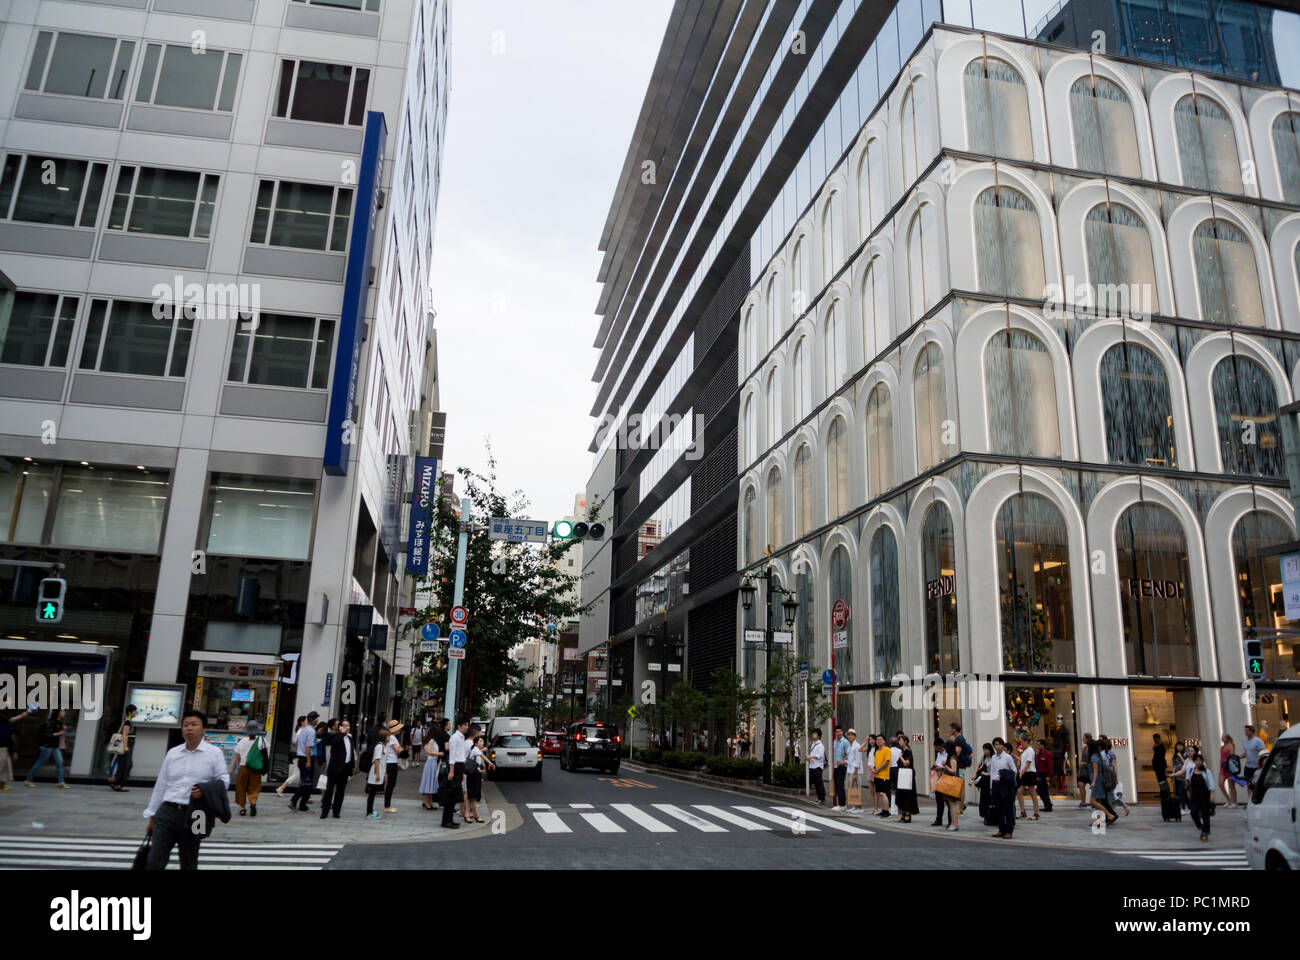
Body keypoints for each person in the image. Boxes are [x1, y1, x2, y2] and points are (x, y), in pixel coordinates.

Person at [143, 710, 228, 870]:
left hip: (198, 812)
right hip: (168, 810)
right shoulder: (172, 753)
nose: (189, 728)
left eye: (194, 725)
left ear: (203, 729)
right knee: (155, 861)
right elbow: (161, 784)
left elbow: (224, 780)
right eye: (186, 725)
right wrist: (152, 815)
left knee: (189, 860)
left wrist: (204, 790)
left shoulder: (214, 753)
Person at [230, 720, 269, 817]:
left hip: (243, 767)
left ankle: (243, 808)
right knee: (254, 787)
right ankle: (253, 802)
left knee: (241, 787)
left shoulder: (242, 741)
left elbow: (237, 757)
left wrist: (232, 769)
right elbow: (265, 755)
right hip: (255, 768)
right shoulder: (262, 741)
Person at [24, 709, 69, 788]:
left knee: (59, 762)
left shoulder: (60, 722)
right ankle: (28, 780)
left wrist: (63, 729)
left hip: (55, 746)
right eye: (62, 711)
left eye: (64, 711)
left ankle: (61, 782)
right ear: (57, 713)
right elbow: (49, 734)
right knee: (39, 763)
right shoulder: (50, 722)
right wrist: (60, 733)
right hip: (47, 746)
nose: (64, 713)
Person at [321, 719, 355, 819]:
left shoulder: (350, 738)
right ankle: (325, 811)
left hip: (345, 768)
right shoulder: (335, 736)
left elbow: (351, 753)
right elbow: (332, 742)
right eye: (344, 726)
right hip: (334, 768)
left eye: (348, 726)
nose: (347, 728)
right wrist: (341, 733)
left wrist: (352, 766)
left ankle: (336, 811)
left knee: (341, 791)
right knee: (329, 790)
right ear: (340, 727)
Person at [441, 717, 470, 828]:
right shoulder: (455, 738)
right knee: (451, 794)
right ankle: (446, 821)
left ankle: (450, 819)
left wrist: (461, 772)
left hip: (460, 767)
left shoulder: (461, 737)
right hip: (455, 766)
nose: (467, 727)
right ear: (459, 726)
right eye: (465, 725)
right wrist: (452, 771)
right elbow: (452, 755)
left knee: (454, 796)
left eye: (467, 725)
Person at [288, 711, 319, 811]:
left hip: (301, 758)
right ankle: (294, 800)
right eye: (317, 719)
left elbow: (296, 743)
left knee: (306, 783)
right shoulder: (311, 731)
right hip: (307, 758)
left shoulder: (303, 730)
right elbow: (308, 747)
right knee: (306, 783)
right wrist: (309, 761)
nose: (318, 721)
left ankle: (302, 804)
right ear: (314, 720)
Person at [988, 737, 1018, 838]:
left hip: (1005, 785)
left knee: (1008, 807)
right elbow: (992, 772)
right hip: (996, 784)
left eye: (999, 744)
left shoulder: (1007, 757)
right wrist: (991, 787)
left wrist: (1009, 781)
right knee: (998, 808)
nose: (997, 746)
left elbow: (1014, 770)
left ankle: (1009, 830)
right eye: (995, 745)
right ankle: (1001, 829)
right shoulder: (993, 757)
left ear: (1003, 745)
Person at [107, 704, 138, 792]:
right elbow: (124, 735)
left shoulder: (128, 721)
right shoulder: (127, 722)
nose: (136, 713)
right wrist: (125, 747)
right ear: (129, 712)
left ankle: (117, 783)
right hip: (127, 745)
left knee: (124, 765)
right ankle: (118, 783)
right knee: (126, 765)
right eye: (134, 711)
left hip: (129, 745)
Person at [277, 716, 308, 799]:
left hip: (298, 755)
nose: (307, 722)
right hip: (298, 755)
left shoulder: (301, 731)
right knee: (297, 775)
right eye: (306, 721)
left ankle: (307, 795)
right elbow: (295, 743)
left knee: (300, 775)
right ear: (302, 722)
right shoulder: (300, 732)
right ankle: (281, 788)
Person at [1186, 751, 1215, 842]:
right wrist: (1187, 784)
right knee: (1193, 813)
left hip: (1204, 796)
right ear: (1194, 761)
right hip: (1194, 796)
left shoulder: (1207, 771)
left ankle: (1205, 833)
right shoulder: (1191, 771)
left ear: (1202, 761)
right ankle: (1201, 826)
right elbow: (1188, 783)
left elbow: (1211, 784)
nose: (1198, 762)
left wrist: (1211, 795)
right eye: (1196, 760)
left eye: (1200, 760)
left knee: (1205, 815)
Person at [465, 734, 493, 822]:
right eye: (480, 741)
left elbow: (478, 762)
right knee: (472, 796)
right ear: (476, 743)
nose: (482, 742)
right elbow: (482, 756)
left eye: (482, 741)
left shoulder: (475, 750)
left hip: (474, 774)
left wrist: (481, 770)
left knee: (472, 796)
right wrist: (490, 763)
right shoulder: (476, 750)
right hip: (473, 775)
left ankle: (469, 814)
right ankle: (475, 816)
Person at [1089, 739, 1117, 826]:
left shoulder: (1094, 757)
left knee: (1093, 801)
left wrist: (1093, 782)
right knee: (1098, 801)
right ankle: (1099, 821)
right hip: (1100, 780)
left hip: (1097, 781)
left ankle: (1109, 815)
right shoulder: (1098, 756)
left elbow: (1096, 771)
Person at [419, 719, 446, 810]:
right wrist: (439, 754)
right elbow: (429, 752)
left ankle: (429, 802)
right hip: (431, 762)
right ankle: (427, 802)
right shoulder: (431, 741)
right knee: (429, 782)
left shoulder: (432, 740)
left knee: (431, 782)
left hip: (433, 762)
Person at [933, 743, 960, 831]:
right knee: (951, 804)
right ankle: (953, 823)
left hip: (951, 782)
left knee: (952, 805)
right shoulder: (951, 757)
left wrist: (945, 766)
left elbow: (954, 771)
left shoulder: (952, 758)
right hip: (948, 781)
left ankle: (955, 823)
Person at [0, 709, 29, 790]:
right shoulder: (7, 723)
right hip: (2, 747)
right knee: (3, 767)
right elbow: (9, 738)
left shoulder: (7, 722)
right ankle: (1, 785)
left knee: (4, 767)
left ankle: (1, 785)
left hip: (4, 747)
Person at [894, 734, 919, 823]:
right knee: (902, 794)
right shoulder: (902, 750)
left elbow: (907, 763)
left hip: (907, 775)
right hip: (902, 775)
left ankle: (908, 814)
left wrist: (901, 757)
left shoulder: (908, 751)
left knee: (908, 795)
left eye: (901, 741)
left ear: (905, 742)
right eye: (899, 741)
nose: (899, 742)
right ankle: (903, 814)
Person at [949, 722, 973, 811]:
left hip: (960, 766)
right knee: (960, 785)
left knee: (961, 785)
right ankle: (961, 805)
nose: (950, 730)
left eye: (951, 728)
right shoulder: (959, 738)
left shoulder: (959, 739)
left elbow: (957, 753)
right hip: (960, 765)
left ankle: (961, 806)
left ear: (954, 729)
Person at [381, 719, 403, 813]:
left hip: (389, 762)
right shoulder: (393, 738)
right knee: (390, 784)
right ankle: (387, 806)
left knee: (390, 784)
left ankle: (387, 805)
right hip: (391, 763)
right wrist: (401, 749)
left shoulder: (390, 737)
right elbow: (397, 750)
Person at [364, 732, 387, 819]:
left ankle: (370, 810)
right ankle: (369, 812)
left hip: (380, 771)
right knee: (372, 793)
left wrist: (384, 773)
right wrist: (377, 774)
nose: (389, 738)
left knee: (373, 793)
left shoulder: (383, 746)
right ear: (384, 737)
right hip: (376, 772)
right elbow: (376, 760)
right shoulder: (379, 746)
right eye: (388, 736)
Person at [972, 743, 995, 826]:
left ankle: (991, 817)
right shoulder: (984, 757)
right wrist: (975, 774)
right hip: (984, 781)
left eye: (986, 749)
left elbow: (995, 771)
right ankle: (985, 815)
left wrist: (986, 774)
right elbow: (978, 765)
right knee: (984, 798)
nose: (985, 751)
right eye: (984, 749)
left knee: (991, 799)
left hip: (991, 779)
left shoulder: (994, 758)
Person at [1016, 738, 1039, 820]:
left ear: (1027, 742)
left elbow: (1028, 763)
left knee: (1032, 792)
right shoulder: (1024, 751)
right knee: (1018, 791)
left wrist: (1021, 773)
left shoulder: (1030, 750)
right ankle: (1023, 812)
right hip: (1024, 772)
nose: (1022, 743)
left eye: (1023, 741)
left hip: (1030, 773)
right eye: (1021, 742)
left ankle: (1036, 814)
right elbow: (1023, 761)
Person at [930, 740, 950, 827]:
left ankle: (950, 820)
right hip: (938, 779)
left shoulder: (947, 754)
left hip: (945, 778)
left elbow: (946, 766)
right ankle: (939, 819)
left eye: (938, 747)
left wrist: (940, 768)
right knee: (939, 801)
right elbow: (937, 764)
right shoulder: (938, 754)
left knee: (948, 801)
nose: (937, 749)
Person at [873, 734, 892, 818]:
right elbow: (876, 763)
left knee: (883, 793)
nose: (878, 741)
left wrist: (878, 770)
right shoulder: (877, 751)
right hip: (877, 775)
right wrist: (874, 769)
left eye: (880, 739)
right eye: (877, 740)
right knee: (879, 794)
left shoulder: (887, 749)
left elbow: (886, 762)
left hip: (884, 775)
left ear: (884, 741)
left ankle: (887, 811)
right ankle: (883, 810)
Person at [844, 729, 864, 810]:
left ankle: (859, 808)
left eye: (852, 735)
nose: (850, 736)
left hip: (855, 771)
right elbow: (850, 759)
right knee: (851, 788)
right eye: (848, 735)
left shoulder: (857, 746)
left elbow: (858, 760)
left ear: (855, 736)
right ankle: (854, 806)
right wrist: (844, 761)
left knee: (857, 788)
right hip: (849, 770)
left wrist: (855, 772)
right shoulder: (850, 746)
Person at [830, 727, 849, 811]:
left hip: (842, 766)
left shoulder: (845, 742)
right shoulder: (835, 741)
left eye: (840, 731)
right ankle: (840, 803)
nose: (838, 733)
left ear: (842, 732)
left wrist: (842, 761)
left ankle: (842, 804)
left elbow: (849, 754)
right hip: (835, 766)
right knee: (837, 785)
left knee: (840, 785)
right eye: (837, 732)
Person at [1219, 733, 1239, 807]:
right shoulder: (1221, 747)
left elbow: (1232, 755)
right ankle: (1228, 800)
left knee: (1231, 786)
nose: (1222, 738)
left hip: (1229, 767)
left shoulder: (1230, 746)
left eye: (1224, 737)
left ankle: (1235, 802)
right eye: (1222, 737)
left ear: (1227, 738)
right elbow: (1221, 757)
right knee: (1220, 784)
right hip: (1222, 767)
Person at [1035, 738, 1054, 812]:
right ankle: (1047, 804)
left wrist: (1048, 776)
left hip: (1044, 774)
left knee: (1043, 790)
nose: (1038, 746)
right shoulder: (1039, 754)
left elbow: (1050, 765)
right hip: (1039, 774)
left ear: (1043, 745)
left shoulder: (1047, 754)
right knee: (1040, 790)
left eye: (1039, 745)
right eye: (1038, 745)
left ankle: (1048, 805)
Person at [807, 728, 826, 804]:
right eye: (813, 733)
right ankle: (819, 797)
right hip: (813, 765)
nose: (813, 735)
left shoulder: (820, 745)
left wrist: (811, 757)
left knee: (819, 782)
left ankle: (822, 798)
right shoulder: (813, 744)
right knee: (816, 783)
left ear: (818, 736)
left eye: (815, 734)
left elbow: (820, 755)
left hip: (818, 766)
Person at [1051, 717, 1070, 793]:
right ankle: (1060, 786)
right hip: (1056, 751)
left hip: (1062, 750)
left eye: (1061, 718)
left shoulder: (1064, 729)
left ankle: (1062, 786)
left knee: (1063, 770)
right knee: (1057, 770)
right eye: (1058, 718)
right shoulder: (1055, 729)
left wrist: (1066, 751)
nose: (1059, 720)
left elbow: (1067, 741)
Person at [1076, 733, 1094, 808]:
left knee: (1093, 787)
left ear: (1087, 739)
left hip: (1090, 770)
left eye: (1084, 738)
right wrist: (1079, 771)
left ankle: (1093, 802)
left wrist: (1085, 763)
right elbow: (1081, 760)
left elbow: (1093, 760)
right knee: (1081, 784)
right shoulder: (1084, 748)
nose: (1083, 740)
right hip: (1083, 771)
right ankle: (1083, 802)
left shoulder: (1092, 748)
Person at [1171, 743, 1189, 810]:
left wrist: (1180, 756)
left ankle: (1183, 808)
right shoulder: (1175, 756)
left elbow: (1186, 764)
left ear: (1183, 747)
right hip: (1177, 776)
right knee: (1183, 793)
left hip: (1184, 776)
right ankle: (1189, 808)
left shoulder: (1186, 754)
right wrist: (1173, 775)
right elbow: (1174, 766)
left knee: (1181, 791)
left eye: (1181, 746)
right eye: (1178, 746)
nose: (1179, 747)